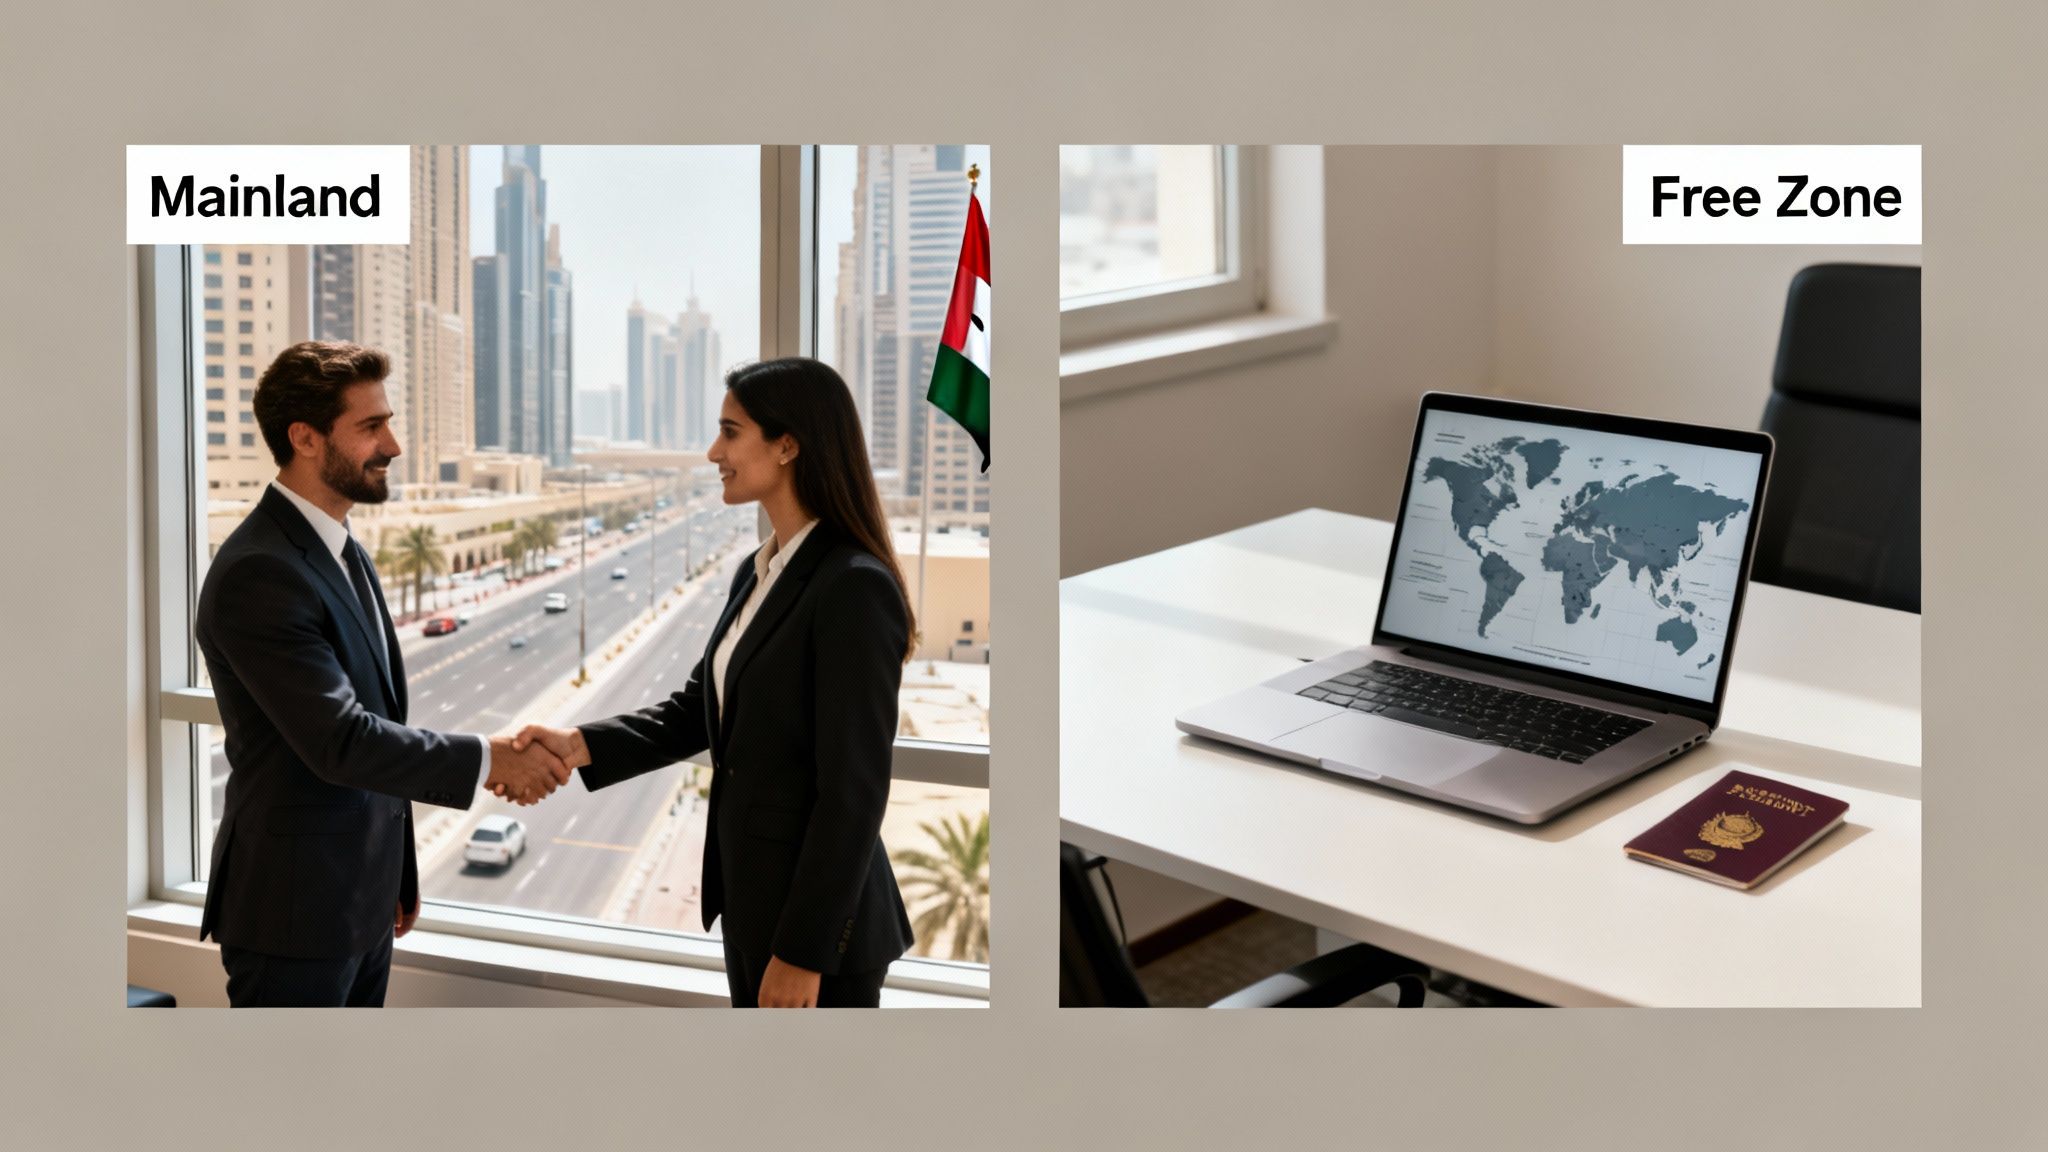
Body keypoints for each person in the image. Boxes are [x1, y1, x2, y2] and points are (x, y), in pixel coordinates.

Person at [513, 357, 916, 1007]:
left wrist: (801, 953)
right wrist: (575, 744)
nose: (712, 452)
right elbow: (697, 710)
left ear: (787, 445)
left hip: (816, 939)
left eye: (730, 432)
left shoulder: (853, 587)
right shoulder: (757, 573)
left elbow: (854, 793)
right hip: (755, 907)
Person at [195, 341, 570, 1008]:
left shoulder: (346, 551)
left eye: (388, 422)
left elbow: (380, 724)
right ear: (305, 438)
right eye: (370, 427)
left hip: (361, 904)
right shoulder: (261, 572)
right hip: (293, 916)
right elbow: (343, 741)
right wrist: (493, 760)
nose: (393, 445)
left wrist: (395, 873)